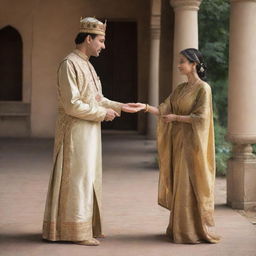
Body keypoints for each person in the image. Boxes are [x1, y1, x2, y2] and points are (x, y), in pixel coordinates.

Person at [42, 17, 136, 246]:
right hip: (75, 132)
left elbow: (97, 98)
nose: (103, 46)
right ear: (88, 38)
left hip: (89, 131)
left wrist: (119, 106)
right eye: (101, 41)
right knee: (78, 179)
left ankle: (86, 227)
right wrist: (102, 114)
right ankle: (75, 231)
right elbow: (71, 104)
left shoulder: (87, 64)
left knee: (89, 177)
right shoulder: (69, 64)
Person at [129, 48, 220, 244]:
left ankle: (191, 231)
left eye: (182, 62)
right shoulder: (180, 89)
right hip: (178, 141)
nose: (179, 65)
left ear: (193, 64)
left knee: (189, 183)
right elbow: (164, 109)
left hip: (192, 144)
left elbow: (202, 118)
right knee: (180, 183)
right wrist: (144, 107)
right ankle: (179, 228)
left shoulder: (203, 88)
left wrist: (177, 118)